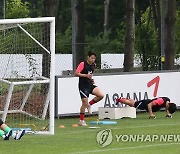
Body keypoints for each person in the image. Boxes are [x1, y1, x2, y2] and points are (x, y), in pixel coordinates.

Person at [75, 51, 104, 126]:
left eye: (94, 58)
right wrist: (86, 75)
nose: (93, 60)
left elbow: (90, 75)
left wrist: (91, 79)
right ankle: (81, 120)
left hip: (90, 84)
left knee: (101, 95)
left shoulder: (93, 65)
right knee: (84, 103)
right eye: (92, 58)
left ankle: (89, 104)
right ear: (88, 57)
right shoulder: (83, 64)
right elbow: (76, 73)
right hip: (83, 86)